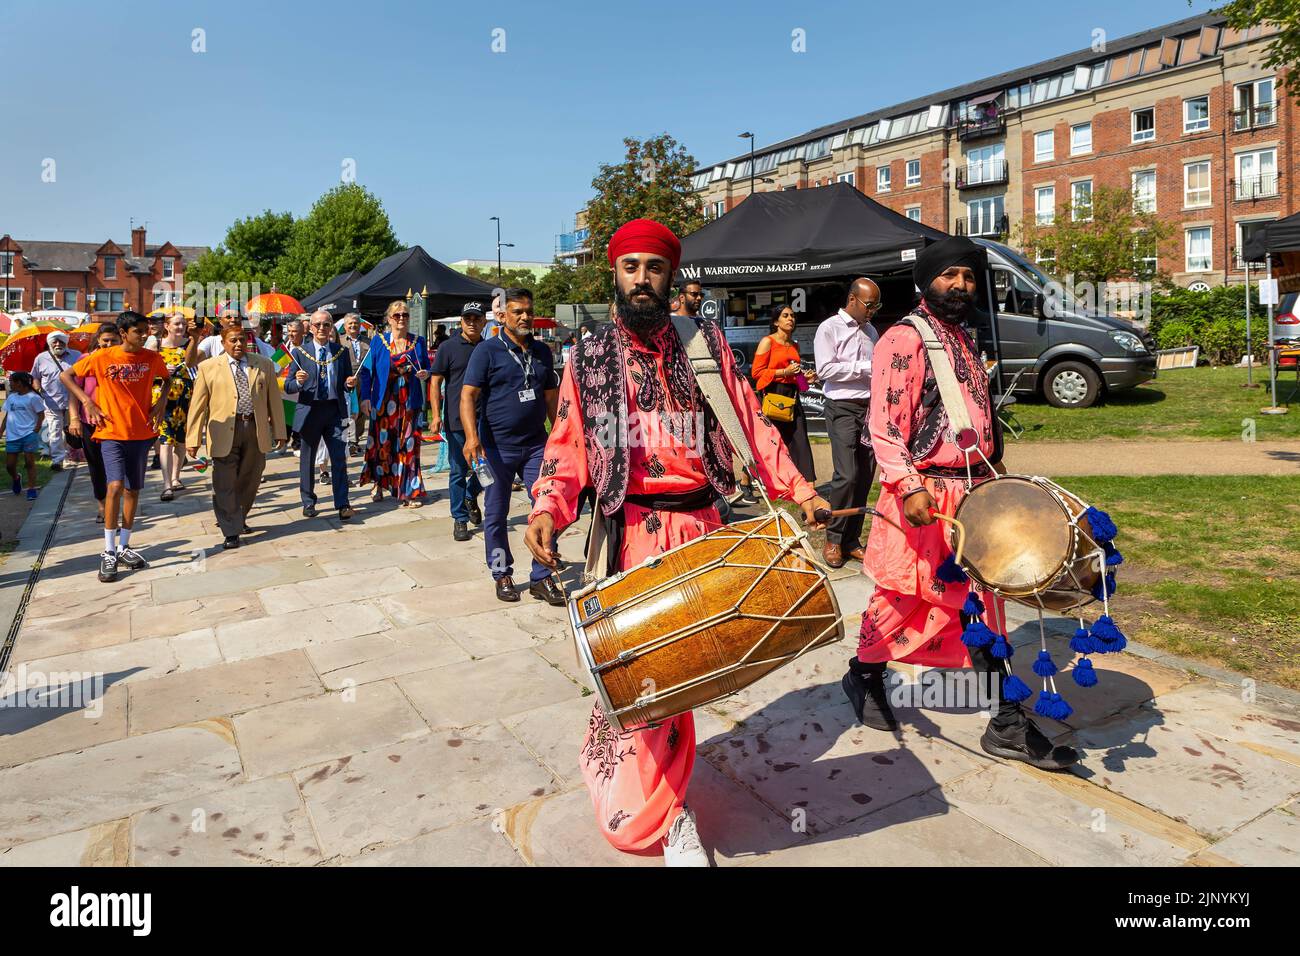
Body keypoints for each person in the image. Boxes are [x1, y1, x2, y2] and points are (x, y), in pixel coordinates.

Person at [523, 219, 831, 866]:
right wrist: (550, 506)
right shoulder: (589, 356)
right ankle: (658, 812)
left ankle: (666, 811)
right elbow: (567, 443)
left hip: (701, 534)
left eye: (653, 268)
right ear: (615, 273)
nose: (641, 278)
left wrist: (800, 490)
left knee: (681, 682)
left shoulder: (705, 344)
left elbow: (750, 423)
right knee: (646, 682)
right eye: (630, 266)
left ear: (672, 275)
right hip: (628, 535)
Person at [844, 236, 1078, 772]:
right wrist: (908, 487)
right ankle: (863, 673)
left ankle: (1006, 724)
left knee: (982, 605)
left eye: (969, 278)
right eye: (950, 275)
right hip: (927, 496)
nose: (961, 286)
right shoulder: (904, 339)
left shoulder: (963, 338)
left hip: (972, 495)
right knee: (903, 600)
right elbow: (882, 426)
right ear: (926, 281)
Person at [460, 289, 561, 602]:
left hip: (535, 446)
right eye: (518, 311)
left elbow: (550, 398)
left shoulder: (542, 351)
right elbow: (467, 395)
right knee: (495, 514)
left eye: (529, 311)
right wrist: (472, 438)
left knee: (547, 507)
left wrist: (559, 437)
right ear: (502, 315)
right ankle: (502, 573)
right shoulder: (487, 351)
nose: (525, 317)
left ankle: (542, 577)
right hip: (497, 447)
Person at [61, 311, 169, 583]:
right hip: (110, 432)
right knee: (115, 486)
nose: (145, 335)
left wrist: (160, 404)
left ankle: (124, 546)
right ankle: (108, 551)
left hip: (141, 433)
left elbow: (166, 379)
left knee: (133, 489)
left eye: (146, 331)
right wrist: (86, 402)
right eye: (139, 331)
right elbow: (67, 376)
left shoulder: (151, 358)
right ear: (124, 333)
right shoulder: (102, 357)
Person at [186, 324, 287, 549]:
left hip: (254, 428)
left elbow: (274, 401)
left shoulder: (263, 364)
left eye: (242, 339)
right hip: (223, 431)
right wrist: (192, 439)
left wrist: (280, 431)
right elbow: (198, 406)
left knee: (251, 478)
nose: (239, 344)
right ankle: (230, 530)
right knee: (224, 481)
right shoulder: (208, 367)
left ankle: (239, 516)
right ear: (223, 343)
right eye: (233, 340)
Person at [813, 276, 882, 568]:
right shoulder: (829, 328)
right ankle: (834, 538)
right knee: (847, 474)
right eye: (869, 305)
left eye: (877, 306)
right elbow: (825, 369)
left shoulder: (871, 331)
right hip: (842, 406)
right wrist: (865, 367)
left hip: (869, 407)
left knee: (866, 474)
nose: (872, 311)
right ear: (852, 299)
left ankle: (852, 539)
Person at [357, 300, 431, 507]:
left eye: (405, 315)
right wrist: (365, 398)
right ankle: (379, 484)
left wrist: (426, 374)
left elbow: (427, 367)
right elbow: (366, 371)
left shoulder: (418, 342)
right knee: (382, 444)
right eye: (396, 315)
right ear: (389, 319)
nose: (401, 319)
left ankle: (408, 492)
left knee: (408, 445)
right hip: (383, 402)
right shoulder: (379, 341)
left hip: (408, 402)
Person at [283, 310, 355, 521]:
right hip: (310, 411)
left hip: (334, 411)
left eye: (326, 324)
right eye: (317, 325)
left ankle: (342, 503)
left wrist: (348, 384)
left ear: (332, 327)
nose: (322, 328)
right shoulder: (299, 353)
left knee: (339, 458)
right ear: (310, 328)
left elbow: (344, 381)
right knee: (307, 459)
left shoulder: (340, 351)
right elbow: (288, 386)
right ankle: (308, 501)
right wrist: (298, 382)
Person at [430, 301, 486, 542]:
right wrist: (434, 415)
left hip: (486, 418)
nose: (472, 323)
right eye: (468, 319)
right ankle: (460, 519)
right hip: (456, 419)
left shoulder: (489, 347)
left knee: (489, 468)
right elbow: (435, 382)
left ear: (484, 321)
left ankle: (471, 494)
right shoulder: (448, 347)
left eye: (476, 318)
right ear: (461, 321)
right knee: (458, 470)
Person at [752, 305, 817, 482]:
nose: (790, 319)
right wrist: (783, 373)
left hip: (792, 395)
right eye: (785, 316)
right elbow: (756, 373)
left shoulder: (795, 345)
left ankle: (806, 482)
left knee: (800, 438)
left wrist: (805, 380)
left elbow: (795, 374)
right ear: (776, 321)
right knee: (767, 440)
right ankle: (748, 479)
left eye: (793, 316)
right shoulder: (768, 341)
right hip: (772, 394)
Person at [66, 323, 122, 523]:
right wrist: (74, 418)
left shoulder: (123, 361)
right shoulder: (85, 359)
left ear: (120, 340)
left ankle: (114, 502)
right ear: (98, 340)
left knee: (115, 466)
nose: (108, 344)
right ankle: (102, 504)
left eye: (113, 340)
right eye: (105, 340)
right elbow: (73, 390)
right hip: (90, 422)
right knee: (96, 465)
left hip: (116, 422)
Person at [155, 313, 200, 501]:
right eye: (176, 323)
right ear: (167, 326)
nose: (180, 326)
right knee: (166, 441)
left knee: (181, 441)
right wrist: (162, 371)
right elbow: (147, 369)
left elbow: (195, 363)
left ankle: (176, 478)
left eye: (183, 323)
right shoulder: (156, 345)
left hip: (185, 400)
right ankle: (166, 484)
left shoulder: (189, 344)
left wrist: (195, 339)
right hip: (164, 400)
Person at [29, 330, 83, 472]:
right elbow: (35, 376)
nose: (58, 343)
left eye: (61, 341)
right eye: (55, 341)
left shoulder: (77, 356)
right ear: (49, 343)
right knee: (55, 430)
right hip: (51, 401)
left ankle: (73, 454)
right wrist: (38, 388)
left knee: (72, 430)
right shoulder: (41, 358)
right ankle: (57, 460)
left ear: (66, 342)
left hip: (74, 401)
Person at [2, 372, 45, 500]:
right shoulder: (11, 398)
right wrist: (0, 432)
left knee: (29, 462)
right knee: (10, 465)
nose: (10, 384)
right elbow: (6, 417)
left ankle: (31, 489)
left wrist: (35, 431)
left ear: (19, 383)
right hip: (12, 436)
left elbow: (41, 415)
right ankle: (16, 478)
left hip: (29, 434)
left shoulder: (33, 398)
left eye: (12, 382)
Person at [340, 313, 370, 456]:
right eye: (350, 324)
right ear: (345, 326)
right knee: (349, 411)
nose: (353, 326)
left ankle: (355, 441)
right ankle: (348, 440)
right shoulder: (339, 342)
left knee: (361, 412)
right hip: (347, 380)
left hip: (364, 380)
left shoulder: (368, 342)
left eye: (356, 323)